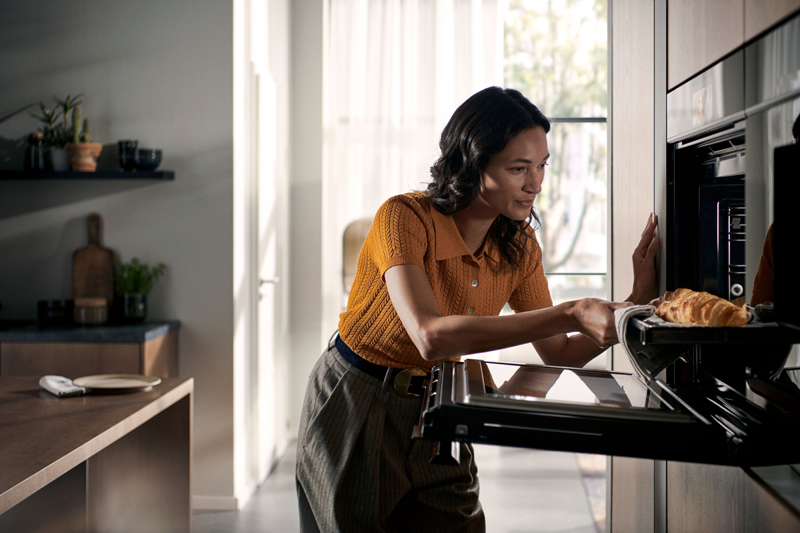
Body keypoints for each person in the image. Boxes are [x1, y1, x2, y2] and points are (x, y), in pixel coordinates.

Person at [296, 86, 659, 533]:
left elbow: (559, 352)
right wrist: (569, 311)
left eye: (542, 165)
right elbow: (429, 336)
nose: (536, 183)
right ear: (472, 163)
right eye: (518, 168)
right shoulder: (403, 218)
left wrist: (633, 304)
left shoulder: (520, 247)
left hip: (442, 404)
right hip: (359, 399)